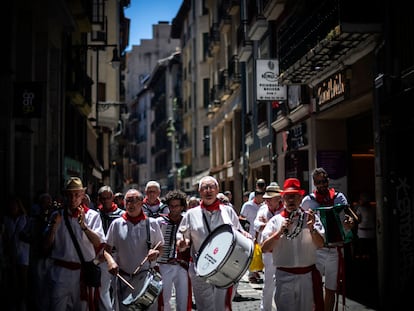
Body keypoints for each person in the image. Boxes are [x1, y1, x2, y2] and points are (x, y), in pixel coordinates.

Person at [176, 176, 252, 311]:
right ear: (200, 192)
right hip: (201, 269)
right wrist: (183, 243)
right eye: (204, 188)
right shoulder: (191, 214)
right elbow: (183, 236)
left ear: (217, 190)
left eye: (211, 187)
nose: (208, 190)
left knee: (222, 307)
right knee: (204, 307)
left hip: (225, 268)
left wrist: (245, 234)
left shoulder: (228, 211)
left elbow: (238, 231)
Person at [261, 178, 325, 311]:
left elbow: (320, 244)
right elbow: (264, 248)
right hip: (284, 277)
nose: (291, 200)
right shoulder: (275, 221)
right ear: (282, 199)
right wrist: (279, 233)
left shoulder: (310, 218)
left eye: (294, 197)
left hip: (307, 278)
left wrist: (312, 229)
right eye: (288, 197)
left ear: (301, 199)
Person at [43, 177, 105, 311]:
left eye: (77, 194)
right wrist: (54, 226)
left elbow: (98, 242)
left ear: (83, 195)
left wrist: (84, 226)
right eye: (70, 195)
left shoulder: (92, 215)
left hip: (82, 274)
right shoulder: (56, 215)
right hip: (60, 272)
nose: (73, 198)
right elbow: (46, 245)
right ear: (65, 196)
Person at [301, 168, 354, 311]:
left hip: (335, 249)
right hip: (316, 250)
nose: (322, 184)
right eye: (318, 182)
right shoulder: (308, 201)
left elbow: (351, 218)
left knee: (331, 288)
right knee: (315, 287)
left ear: (328, 180)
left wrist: (350, 224)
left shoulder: (339, 198)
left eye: (324, 181)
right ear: (314, 183)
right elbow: (301, 224)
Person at [104, 188, 164, 311]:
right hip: (124, 280)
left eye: (135, 200)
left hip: (147, 279)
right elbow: (106, 249)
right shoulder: (116, 224)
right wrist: (110, 262)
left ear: (142, 203)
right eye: (128, 201)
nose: (131, 204)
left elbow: (161, 247)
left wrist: (156, 252)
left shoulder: (152, 223)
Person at [155, 189, 192, 311]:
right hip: (164, 265)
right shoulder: (159, 222)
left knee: (183, 299)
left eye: (177, 206)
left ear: (182, 207)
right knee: (164, 299)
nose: (173, 209)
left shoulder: (188, 221)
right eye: (171, 206)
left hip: (183, 266)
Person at [254, 182, 283, 311]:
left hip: (282, 250)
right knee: (268, 283)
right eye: (266, 199)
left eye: (270, 199)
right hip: (268, 251)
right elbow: (256, 224)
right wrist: (269, 226)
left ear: (278, 199)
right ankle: (264, 309)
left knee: (281, 282)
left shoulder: (284, 210)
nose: (268, 202)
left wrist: (268, 226)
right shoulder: (263, 209)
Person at [96, 185, 125, 311]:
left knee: (118, 288)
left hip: (118, 256)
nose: (106, 200)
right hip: (102, 257)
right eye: (103, 198)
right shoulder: (96, 214)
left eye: (108, 197)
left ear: (112, 197)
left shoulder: (122, 215)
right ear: (99, 199)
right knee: (103, 288)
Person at [3, 195, 31, 311]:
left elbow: (28, 233)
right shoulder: (6, 219)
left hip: (23, 251)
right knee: (12, 278)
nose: (13, 207)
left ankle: (23, 302)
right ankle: (13, 302)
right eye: (11, 205)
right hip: (11, 251)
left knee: (23, 279)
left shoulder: (24, 218)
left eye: (15, 205)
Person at [240, 183, 266, 283]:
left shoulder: (264, 206)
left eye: (262, 198)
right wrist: (246, 224)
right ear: (255, 197)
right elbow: (241, 217)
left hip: (262, 233)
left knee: (260, 254)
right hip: (251, 233)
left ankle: (257, 271)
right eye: (260, 198)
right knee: (252, 254)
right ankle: (251, 275)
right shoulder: (247, 205)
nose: (261, 200)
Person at [354, 192, 376, 260]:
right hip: (371, 232)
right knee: (370, 250)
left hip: (362, 233)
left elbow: (358, 220)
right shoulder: (373, 208)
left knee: (362, 250)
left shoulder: (360, 209)